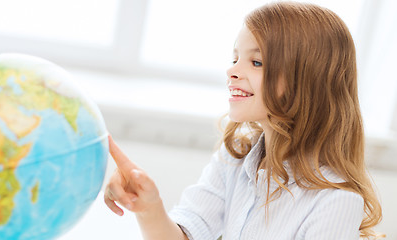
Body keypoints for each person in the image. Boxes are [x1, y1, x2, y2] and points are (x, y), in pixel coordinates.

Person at [103, 2, 383, 239]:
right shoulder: (236, 157)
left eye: (256, 62)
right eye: (235, 57)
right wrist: (149, 207)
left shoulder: (336, 202)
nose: (232, 70)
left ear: (307, 83)